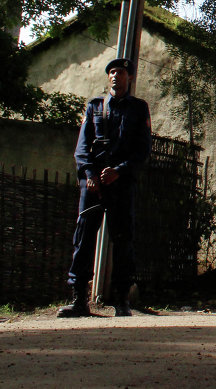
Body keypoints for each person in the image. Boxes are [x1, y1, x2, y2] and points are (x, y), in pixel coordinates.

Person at [58, 58, 152, 317]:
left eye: (120, 73)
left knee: (123, 241)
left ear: (129, 78)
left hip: (120, 184)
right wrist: (90, 175)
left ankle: (122, 301)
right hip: (94, 186)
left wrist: (119, 171)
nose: (114, 77)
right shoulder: (95, 106)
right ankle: (79, 300)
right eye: (111, 72)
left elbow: (142, 150)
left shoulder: (138, 108)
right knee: (84, 240)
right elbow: (82, 148)